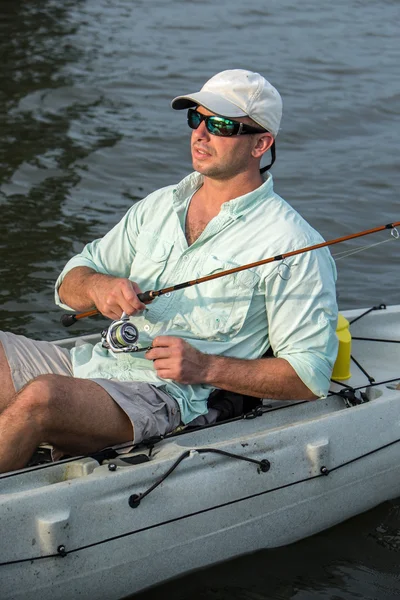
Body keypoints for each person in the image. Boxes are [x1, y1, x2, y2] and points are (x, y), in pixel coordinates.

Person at [0, 69, 338, 473]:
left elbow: (309, 375)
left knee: (43, 397)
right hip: (96, 364)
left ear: (261, 144)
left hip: (166, 399)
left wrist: (206, 367)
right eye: (197, 118)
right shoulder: (160, 205)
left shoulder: (292, 243)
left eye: (222, 125)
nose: (201, 133)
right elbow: (70, 280)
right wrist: (98, 285)